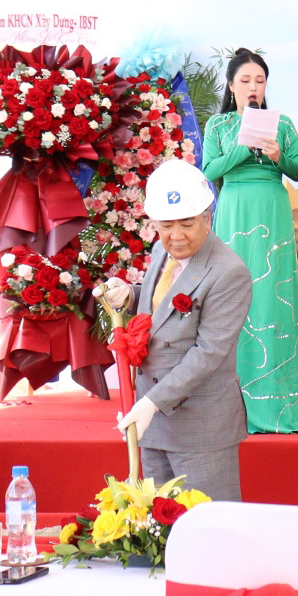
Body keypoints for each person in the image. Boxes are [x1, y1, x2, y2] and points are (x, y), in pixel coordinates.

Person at [99, 160, 255, 501]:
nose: (176, 235)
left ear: (207, 217)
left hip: (200, 427)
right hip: (153, 423)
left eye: (187, 223)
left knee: (209, 532)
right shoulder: (161, 250)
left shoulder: (229, 272)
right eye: (166, 225)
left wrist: (152, 403)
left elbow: (210, 352)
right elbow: (163, 306)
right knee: (159, 533)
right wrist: (132, 293)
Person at [201, 48, 298, 434]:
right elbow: (209, 170)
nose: (253, 87)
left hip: (272, 207)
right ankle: (231, 404)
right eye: (246, 81)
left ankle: (281, 400)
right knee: (232, 297)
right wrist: (240, 148)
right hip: (235, 208)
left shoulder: (282, 124)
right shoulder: (218, 126)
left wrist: (279, 156)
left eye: (260, 81)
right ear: (232, 86)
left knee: (273, 297)